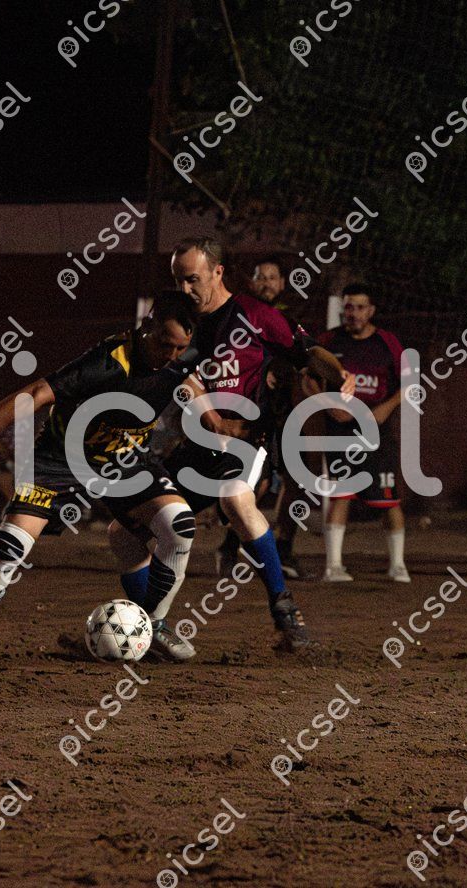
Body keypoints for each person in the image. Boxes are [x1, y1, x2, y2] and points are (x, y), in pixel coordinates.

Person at [108, 237, 355, 652]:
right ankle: (148, 627)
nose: (185, 289)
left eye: (192, 279)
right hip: (195, 447)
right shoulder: (174, 318)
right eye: (178, 280)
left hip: (245, 442)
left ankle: (286, 613)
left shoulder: (256, 316)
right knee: (123, 532)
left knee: (235, 499)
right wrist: (205, 412)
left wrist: (341, 375)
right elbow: (178, 374)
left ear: (217, 272)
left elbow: (310, 351)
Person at [0, 293, 201, 666]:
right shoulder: (107, 363)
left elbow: (194, 374)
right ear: (147, 325)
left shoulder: (185, 358)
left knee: (179, 524)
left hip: (125, 459)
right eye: (164, 344)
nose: (172, 355)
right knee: (10, 547)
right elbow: (36, 393)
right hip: (60, 461)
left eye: (181, 348)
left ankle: (154, 623)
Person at [217, 256, 321, 580]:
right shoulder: (239, 316)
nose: (266, 283)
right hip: (254, 411)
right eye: (260, 276)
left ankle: (284, 547)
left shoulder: (287, 319)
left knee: (297, 479)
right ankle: (230, 545)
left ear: (283, 283)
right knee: (254, 482)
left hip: (287, 412)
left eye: (273, 277)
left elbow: (306, 357)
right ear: (251, 282)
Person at [314, 284, 410, 583]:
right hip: (340, 433)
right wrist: (327, 403)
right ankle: (334, 566)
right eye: (348, 307)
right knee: (340, 495)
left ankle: (397, 565)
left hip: (376, 434)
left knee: (388, 499)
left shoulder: (387, 343)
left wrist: (384, 409)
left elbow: (410, 382)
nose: (352, 313)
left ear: (371, 311)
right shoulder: (329, 342)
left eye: (359, 307)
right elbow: (308, 378)